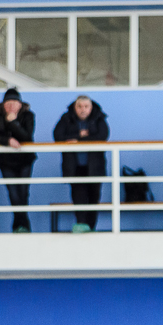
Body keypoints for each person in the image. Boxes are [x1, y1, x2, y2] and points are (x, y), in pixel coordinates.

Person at [53, 95, 110, 233]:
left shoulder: (99, 118)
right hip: (75, 167)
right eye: (79, 106)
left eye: (86, 106)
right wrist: (79, 134)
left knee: (94, 196)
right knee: (78, 196)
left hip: (94, 166)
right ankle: (81, 224)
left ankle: (91, 227)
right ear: (74, 107)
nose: (82, 109)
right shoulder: (66, 118)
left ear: (91, 107)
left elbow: (102, 136)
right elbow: (58, 136)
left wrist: (77, 140)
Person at [0, 88, 36, 233]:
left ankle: (21, 226)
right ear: (3, 105)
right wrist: (7, 140)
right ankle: (22, 225)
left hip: (25, 161)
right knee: (13, 193)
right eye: (8, 103)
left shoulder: (28, 116)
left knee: (23, 193)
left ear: (20, 104)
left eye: (14, 103)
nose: (11, 106)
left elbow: (27, 137)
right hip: (6, 162)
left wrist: (13, 122)